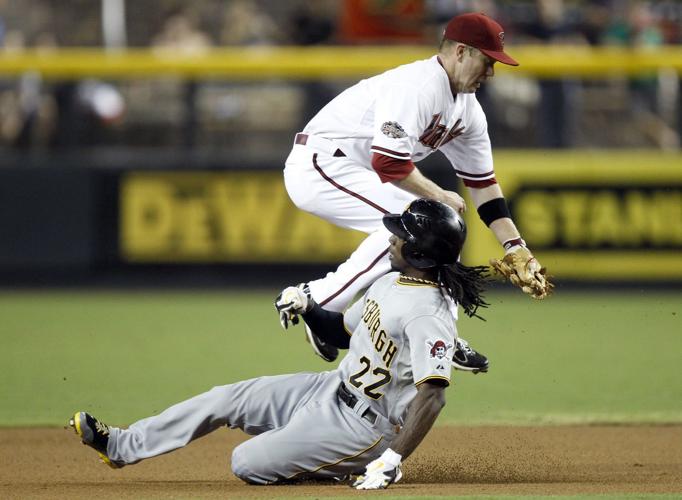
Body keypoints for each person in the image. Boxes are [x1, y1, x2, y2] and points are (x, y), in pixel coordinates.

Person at [69, 199, 489, 489]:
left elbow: (432, 398)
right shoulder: (388, 282)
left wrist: (392, 461)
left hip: (366, 427)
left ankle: (340, 464)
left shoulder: (428, 313)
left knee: (246, 463)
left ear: (418, 251)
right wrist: (307, 306)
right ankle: (121, 446)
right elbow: (343, 333)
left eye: (401, 234)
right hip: (328, 389)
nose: (392, 237)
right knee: (225, 399)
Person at [280, 12, 550, 369]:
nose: (491, 73)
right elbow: (388, 164)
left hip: (353, 168)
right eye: (487, 61)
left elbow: (483, 186)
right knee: (415, 222)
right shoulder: (418, 87)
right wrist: (438, 194)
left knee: (441, 229)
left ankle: (445, 335)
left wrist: (517, 247)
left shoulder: (468, 111)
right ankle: (321, 299)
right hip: (319, 163)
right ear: (461, 52)